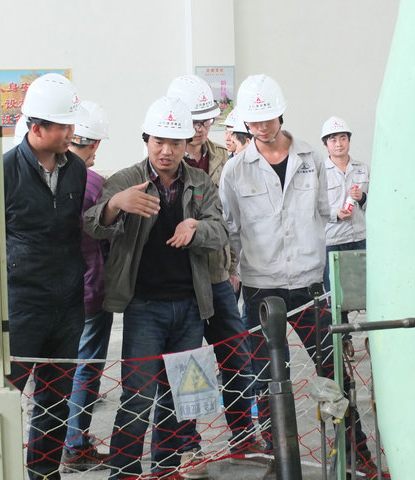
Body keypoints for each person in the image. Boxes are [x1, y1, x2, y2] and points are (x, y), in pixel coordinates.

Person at [219, 74, 374, 480]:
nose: (261, 127)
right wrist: (234, 273)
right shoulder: (235, 171)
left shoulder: (310, 159)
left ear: (281, 113)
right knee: (269, 377)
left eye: (267, 118)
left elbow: (322, 211)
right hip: (260, 288)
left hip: (309, 285)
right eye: (253, 121)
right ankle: (278, 460)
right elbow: (231, 228)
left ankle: (357, 452)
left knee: (334, 370)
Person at [83, 96, 228, 480]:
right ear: (146, 139)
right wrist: (116, 204)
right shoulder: (124, 181)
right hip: (144, 307)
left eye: (175, 143)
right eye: (159, 141)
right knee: (137, 395)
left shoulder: (198, 182)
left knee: (182, 397)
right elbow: (93, 225)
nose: (166, 151)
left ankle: (167, 469)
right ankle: (125, 472)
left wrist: (196, 228)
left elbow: (219, 232)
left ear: (185, 144)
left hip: (191, 306)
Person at [161, 74, 266, 480]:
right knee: (188, 364)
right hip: (181, 282)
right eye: (194, 121)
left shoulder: (227, 159)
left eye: (206, 120)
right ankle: (188, 443)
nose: (202, 128)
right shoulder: (165, 162)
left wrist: (234, 267)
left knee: (236, 356)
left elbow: (237, 220)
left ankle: (243, 434)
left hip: (220, 275)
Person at [4, 72, 87, 480]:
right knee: (6, 397)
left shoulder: (76, 170)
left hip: (67, 305)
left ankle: (44, 473)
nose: (72, 133)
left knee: (55, 402)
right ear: (36, 128)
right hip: (22, 305)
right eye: (63, 126)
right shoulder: (4, 171)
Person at [61, 101, 113, 471]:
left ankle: (56, 441)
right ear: (93, 144)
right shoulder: (94, 184)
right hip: (91, 292)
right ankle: (75, 444)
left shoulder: (48, 178)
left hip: (56, 295)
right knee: (87, 367)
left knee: (58, 370)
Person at [321, 116, 370, 359]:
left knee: (367, 290)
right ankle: (344, 339)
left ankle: (373, 335)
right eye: (333, 140)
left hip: (360, 238)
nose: (338, 143)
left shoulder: (362, 169)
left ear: (349, 141)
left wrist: (362, 198)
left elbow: (375, 202)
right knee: (336, 294)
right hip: (333, 241)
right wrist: (336, 214)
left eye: (342, 138)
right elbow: (315, 208)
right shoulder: (320, 172)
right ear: (326, 144)